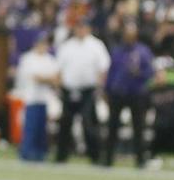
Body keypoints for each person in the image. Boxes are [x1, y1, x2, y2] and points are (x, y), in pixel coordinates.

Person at [53, 13, 110, 164]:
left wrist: (99, 87)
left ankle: (95, 156)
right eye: (78, 27)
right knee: (65, 123)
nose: (81, 30)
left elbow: (103, 68)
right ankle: (61, 156)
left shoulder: (96, 45)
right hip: (68, 89)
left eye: (83, 27)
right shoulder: (67, 46)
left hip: (88, 90)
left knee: (89, 123)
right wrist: (58, 88)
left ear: (88, 28)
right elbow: (58, 69)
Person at [102, 26, 158, 169]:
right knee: (112, 126)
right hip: (118, 93)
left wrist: (139, 73)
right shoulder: (117, 51)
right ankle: (107, 158)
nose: (128, 37)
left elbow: (150, 72)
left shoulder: (143, 52)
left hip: (136, 93)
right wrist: (106, 90)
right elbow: (111, 72)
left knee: (138, 127)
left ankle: (140, 160)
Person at [12, 37, 58, 163]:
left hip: (44, 98)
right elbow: (35, 77)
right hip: (30, 97)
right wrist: (47, 79)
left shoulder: (50, 59)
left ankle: (40, 154)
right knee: (30, 127)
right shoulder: (28, 58)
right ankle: (26, 153)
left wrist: (45, 79)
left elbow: (56, 79)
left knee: (41, 128)